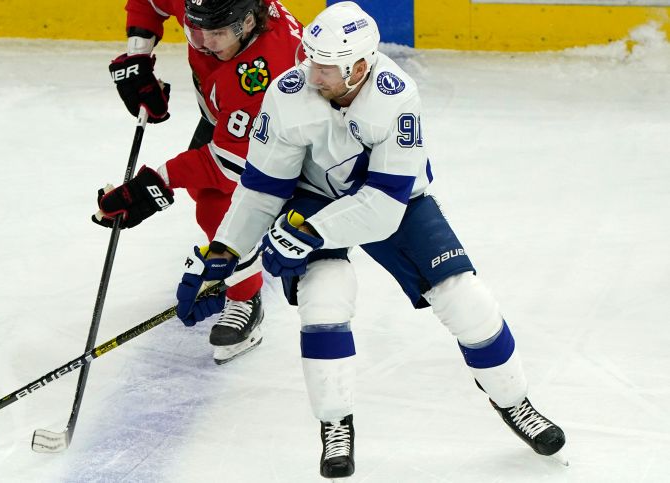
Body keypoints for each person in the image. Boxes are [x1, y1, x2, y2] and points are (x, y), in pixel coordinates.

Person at [173, 1, 566, 478]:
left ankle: (515, 402)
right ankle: (335, 424)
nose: (311, 74)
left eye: (325, 67)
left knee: (466, 299)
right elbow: (260, 190)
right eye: (309, 58)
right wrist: (226, 252)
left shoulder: (396, 97)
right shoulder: (288, 92)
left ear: (359, 66)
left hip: (391, 202)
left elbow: (383, 205)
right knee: (324, 305)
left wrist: (308, 233)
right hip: (312, 199)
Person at [95, 0, 303, 364]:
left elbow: (227, 166)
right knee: (207, 195)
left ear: (249, 23)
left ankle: (244, 298)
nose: (204, 43)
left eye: (217, 34)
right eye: (196, 30)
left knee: (218, 206)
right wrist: (139, 55)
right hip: (229, 122)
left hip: (289, 140)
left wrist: (156, 182)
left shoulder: (268, 70)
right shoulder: (209, 8)